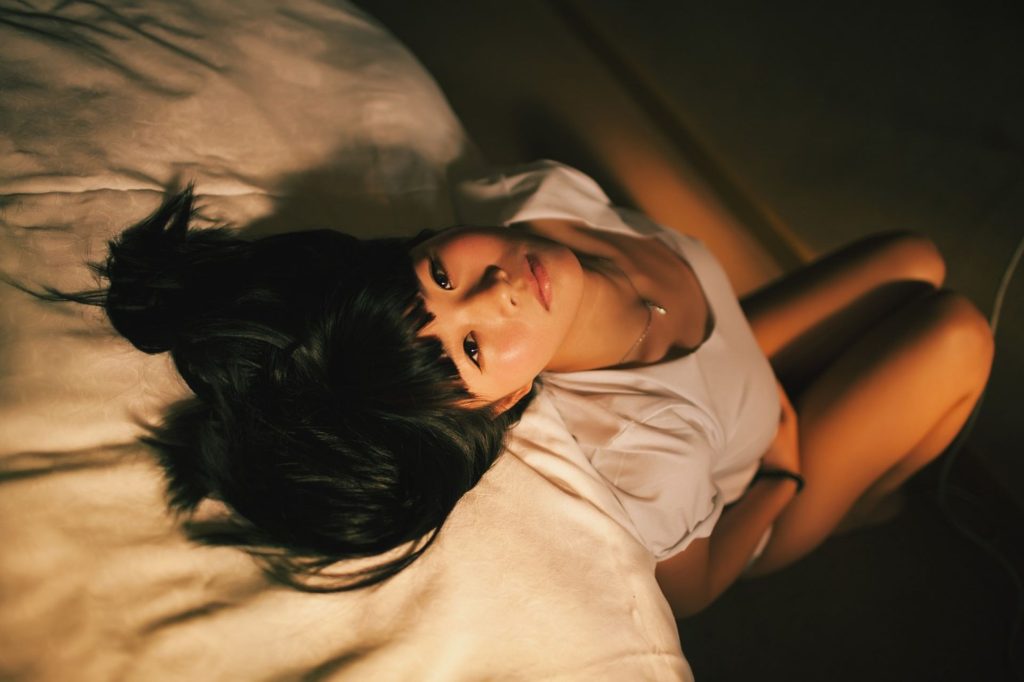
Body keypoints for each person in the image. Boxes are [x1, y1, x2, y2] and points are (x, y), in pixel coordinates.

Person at [44, 162, 994, 612]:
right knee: (956, 336)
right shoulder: (641, 454)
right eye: (469, 353)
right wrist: (785, 477)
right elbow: (697, 589)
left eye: (441, 280)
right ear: (498, 405)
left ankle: (835, 435)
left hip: (734, 360)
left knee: (914, 257)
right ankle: (864, 500)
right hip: (761, 484)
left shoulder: (527, 197)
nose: (497, 297)